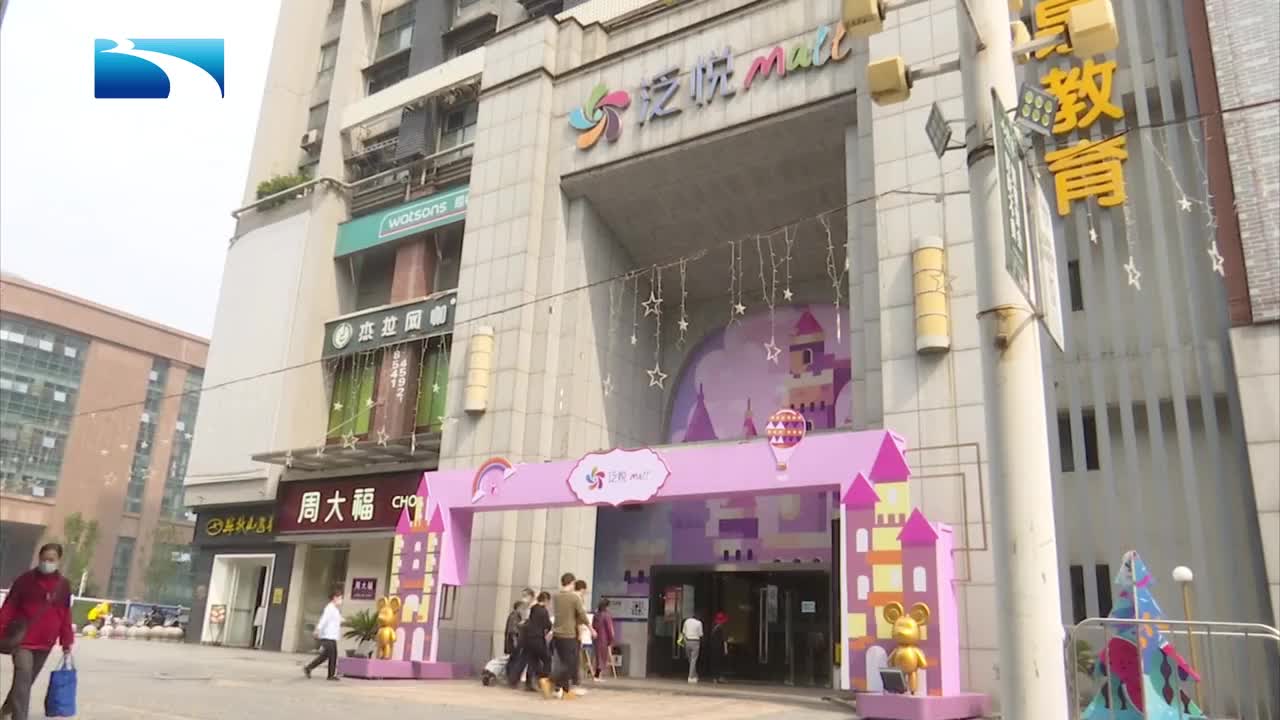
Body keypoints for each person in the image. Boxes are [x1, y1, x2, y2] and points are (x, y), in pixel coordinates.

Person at [0, 543, 74, 720]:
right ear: (39, 558)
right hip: (22, 640)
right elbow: (9, 607)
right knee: (23, 679)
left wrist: (66, 642)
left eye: (51, 559)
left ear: (58, 560)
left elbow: (65, 614)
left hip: (46, 642)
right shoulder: (24, 580)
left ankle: (5, 711)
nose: (47, 563)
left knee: (25, 682)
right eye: (44, 559)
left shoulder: (63, 585)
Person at [551, 573, 590, 698]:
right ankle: (556, 683)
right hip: (569, 634)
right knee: (570, 663)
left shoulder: (556, 596)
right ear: (572, 583)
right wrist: (591, 628)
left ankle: (563, 689)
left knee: (562, 662)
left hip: (557, 634)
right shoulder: (574, 598)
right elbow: (582, 615)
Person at [303, 588, 343, 681]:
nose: (341, 600)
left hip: (332, 636)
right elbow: (323, 620)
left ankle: (309, 668)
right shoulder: (329, 608)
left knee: (326, 655)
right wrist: (317, 629)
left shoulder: (335, 609)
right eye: (340, 598)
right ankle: (330, 675)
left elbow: (339, 619)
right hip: (327, 636)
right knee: (332, 655)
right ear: (335, 598)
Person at [522, 592, 554, 696]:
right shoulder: (543, 611)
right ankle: (543, 681)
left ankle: (528, 683)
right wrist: (549, 628)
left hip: (529, 638)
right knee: (547, 659)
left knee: (532, 660)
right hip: (538, 638)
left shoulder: (533, 608)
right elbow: (547, 625)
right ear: (546, 600)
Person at [505, 588, 537, 689]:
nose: (524, 598)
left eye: (525, 596)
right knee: (524, 660)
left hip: (528, 637)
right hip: (526, 638)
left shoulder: (533, 607)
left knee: (523, 660)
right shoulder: (525, 609)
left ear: (531, 596)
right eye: (523, 596)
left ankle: (515, 680)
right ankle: (518, 680)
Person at [573, 579, 595, 684]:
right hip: (575, 630)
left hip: (573, 629)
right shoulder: (578, 599)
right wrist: (587, 630)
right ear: (582, 589)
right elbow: (581, 617)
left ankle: (574, 677)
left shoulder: (572, 597)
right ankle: (575, 678)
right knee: (576, 655)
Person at [591, 599, 616, 681]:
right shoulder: (606, 615)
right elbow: (610, 629)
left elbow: (593, 626)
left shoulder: (596, 615)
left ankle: (597, 676)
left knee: (598, 657)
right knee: (602, 658)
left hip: (596, 638)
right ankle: (597, 676)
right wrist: (611, 639)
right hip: (604, 639)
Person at [681, 611, 705, 683]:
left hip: (687, 641)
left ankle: (694, 675)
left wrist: (684, 641)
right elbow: (701, 634)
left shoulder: (687, 621)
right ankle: (691, 677)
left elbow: (683, 632)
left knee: (690, 659)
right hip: (695, 641)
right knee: (693, 660)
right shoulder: (699, 623)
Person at [709, 611, 729, 683]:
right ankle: (719, 677)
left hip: (713, 647)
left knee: (715, 662)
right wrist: (726, 649)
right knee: (719, 662)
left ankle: (715, 677)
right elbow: (724, 640)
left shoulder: (713, 628)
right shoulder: (721, 628)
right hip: (720, 647)